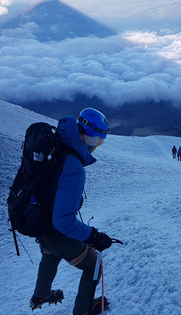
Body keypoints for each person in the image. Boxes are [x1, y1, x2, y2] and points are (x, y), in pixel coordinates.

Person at [30, 108, 119, 315]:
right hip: (56, 230)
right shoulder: (74, 166)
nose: (97, 145)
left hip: (41, 224)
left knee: (50, 253)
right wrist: (94, 236)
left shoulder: (57, 148)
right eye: (98, 140)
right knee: (94, 264)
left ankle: (41, 295)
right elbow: (64, 222)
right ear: (87, 135)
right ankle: (83, 311)